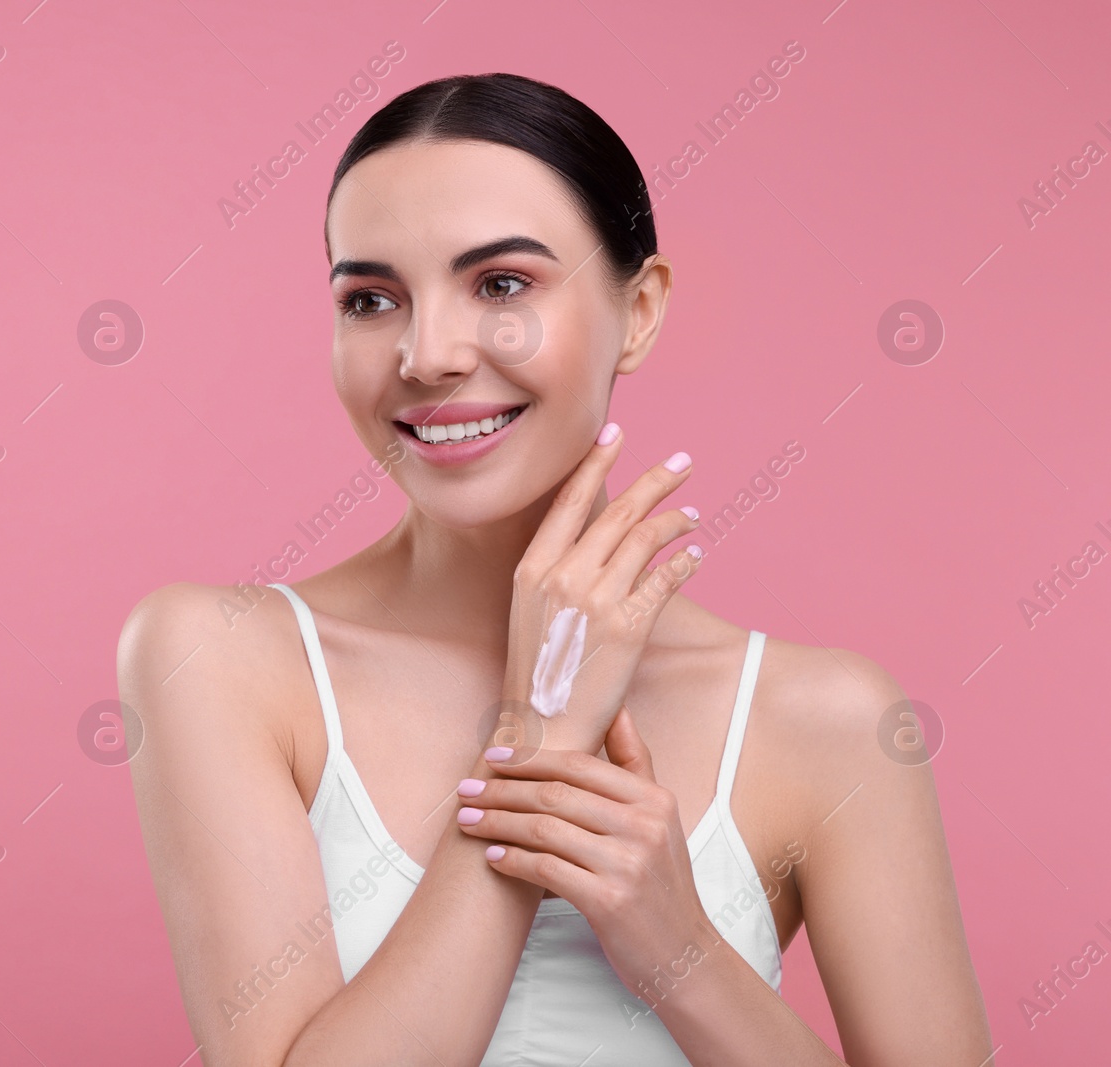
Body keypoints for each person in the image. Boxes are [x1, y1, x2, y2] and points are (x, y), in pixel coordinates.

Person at [118, 72, 994, 1066]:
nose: (426, 353)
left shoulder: (827, 719)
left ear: (642, 309)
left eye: (501, 284)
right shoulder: (220, 657)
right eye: (370, 298)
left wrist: (678, 944)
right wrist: (534, 736)